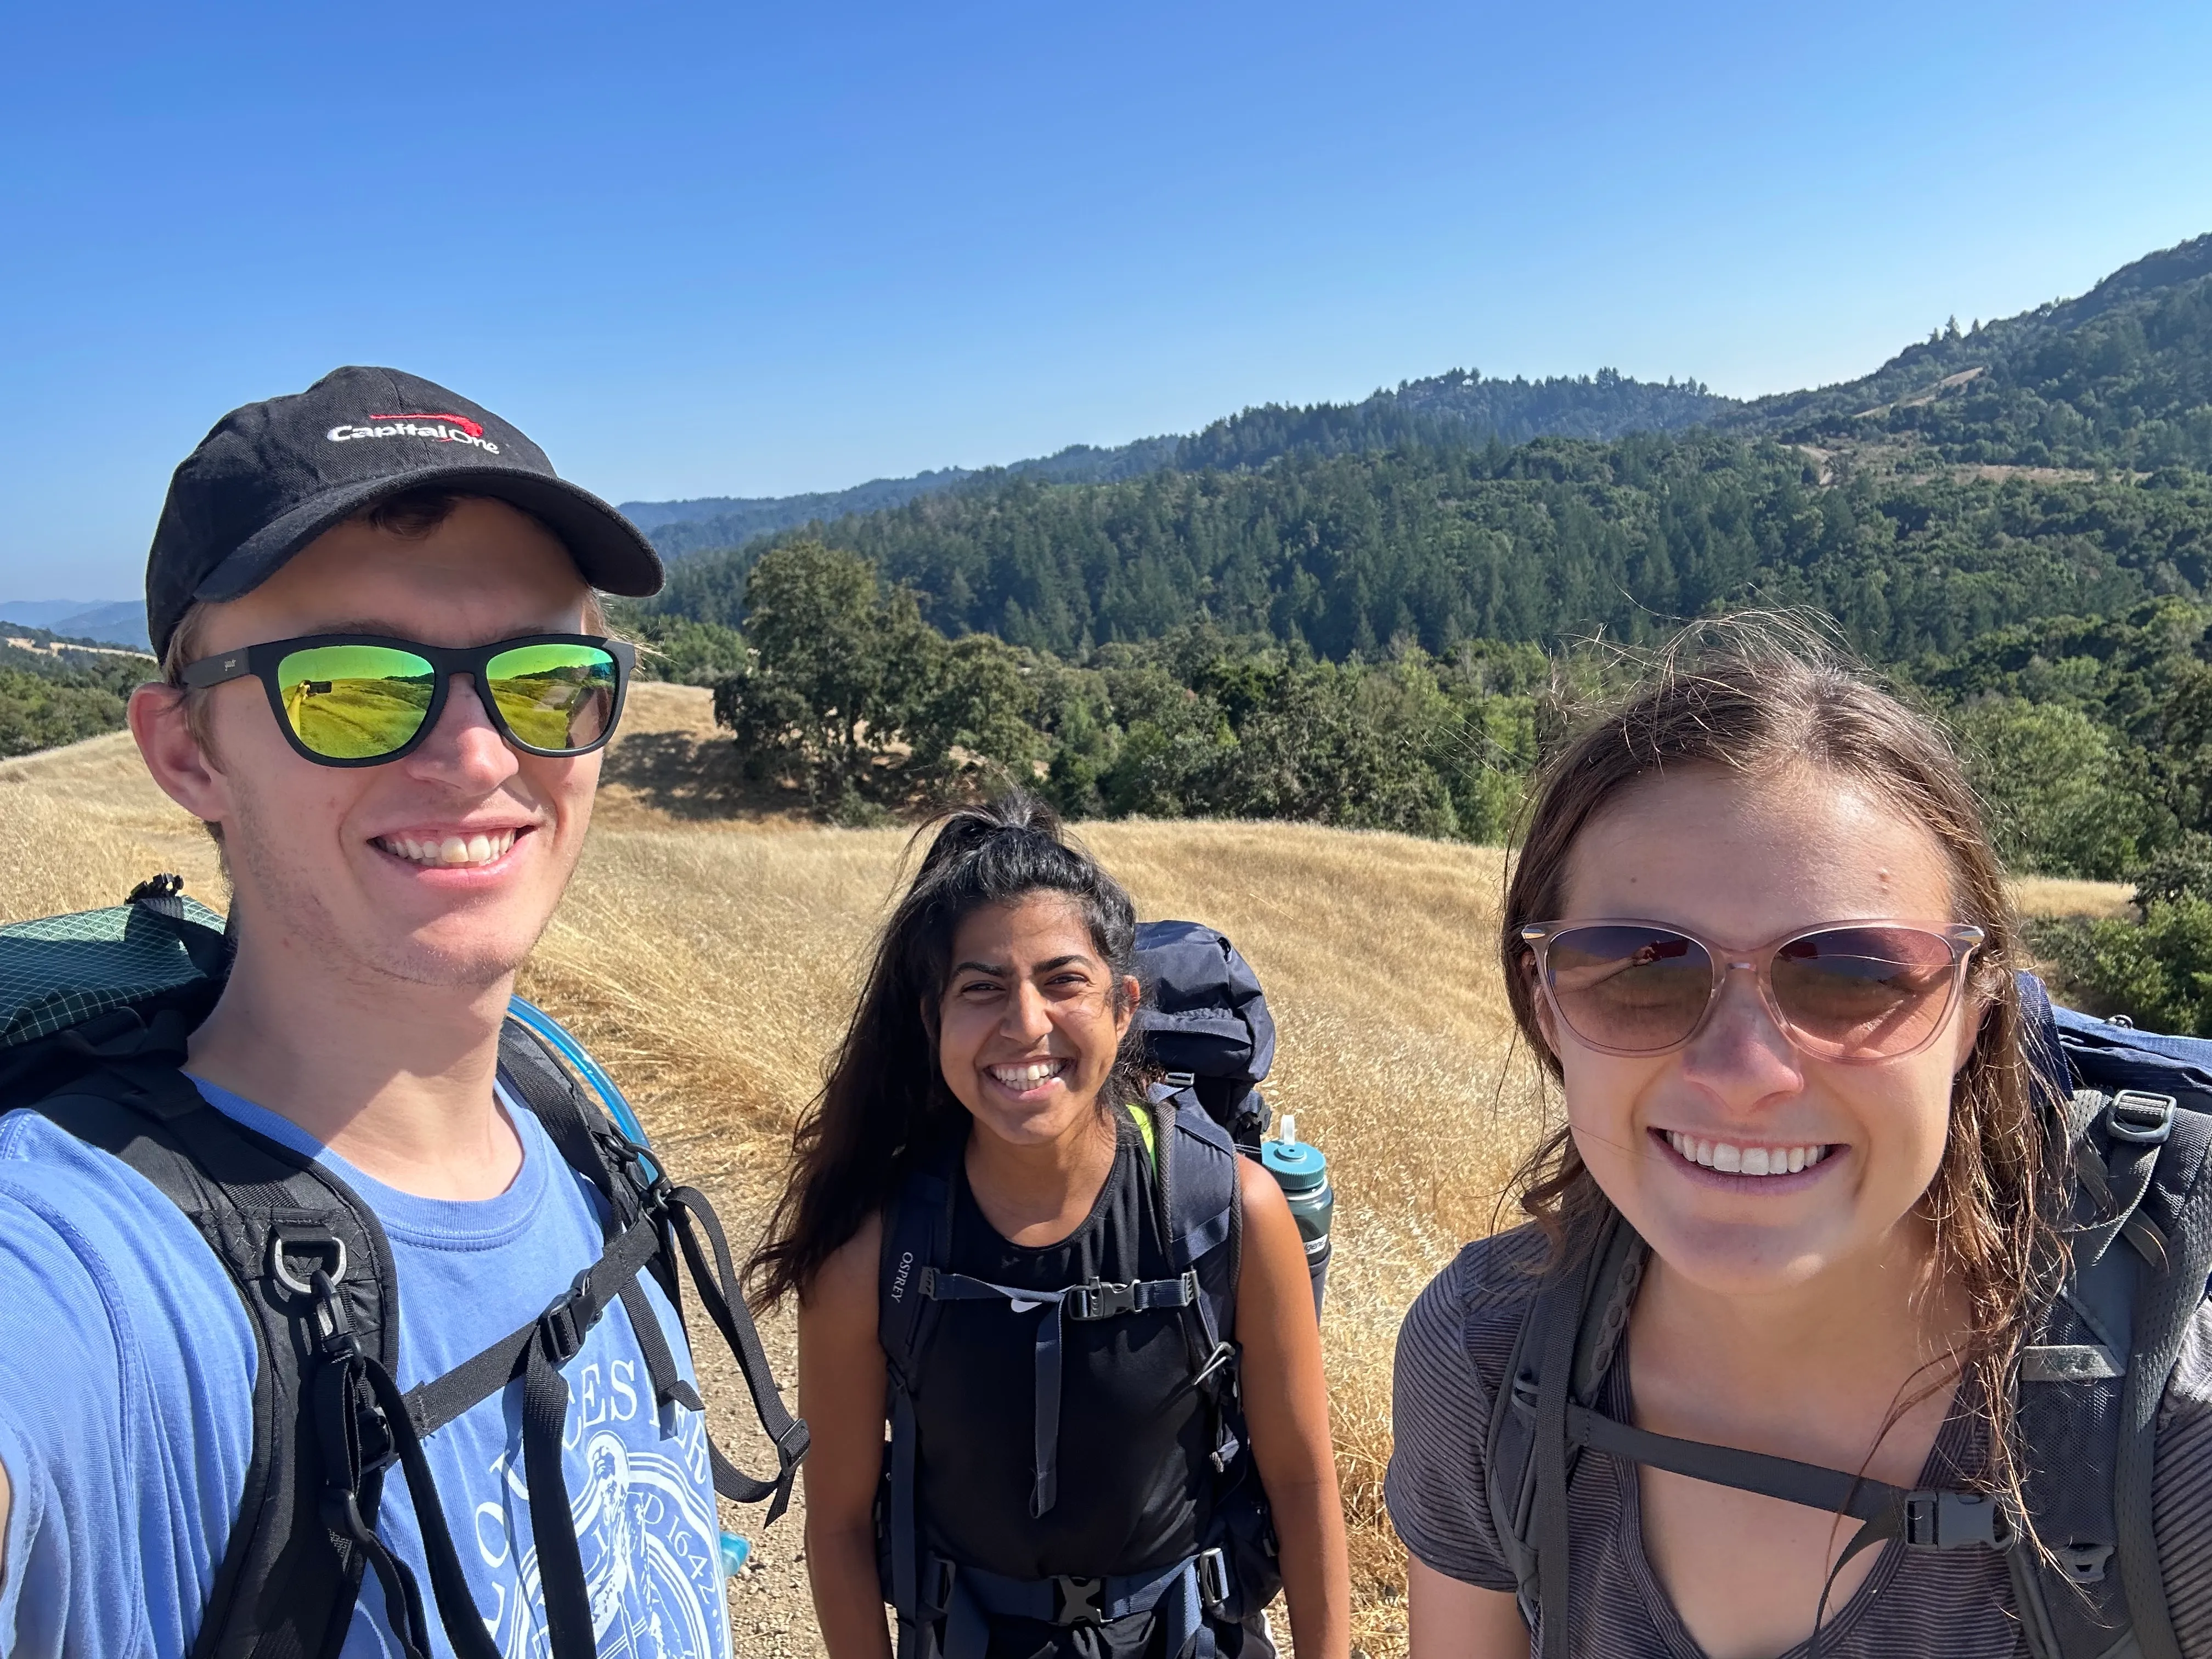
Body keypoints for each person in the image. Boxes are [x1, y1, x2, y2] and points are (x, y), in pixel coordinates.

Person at [0, 366, 787, 1658]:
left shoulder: (577, 1125)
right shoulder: (92, 1280)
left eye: (545, 679)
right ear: (186, 748)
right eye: (354, 685)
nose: (481, 756)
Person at [1385, 628, 2212, 1659]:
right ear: (1545, 1004)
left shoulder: (2168, 1431)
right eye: (1644, 967)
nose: (1745, 1071)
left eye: (1854, 976)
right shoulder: (1484, 1357)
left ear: (1974, 1016)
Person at [751, 795, 1350, 1659]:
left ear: (1123, 1006)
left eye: (1063, 981)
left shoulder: (1228, 1214)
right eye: (981, 989)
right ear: (934, 1023)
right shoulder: (876, 1252)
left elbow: (1303, 1485)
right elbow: (838, 1526)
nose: (1024, 1024)